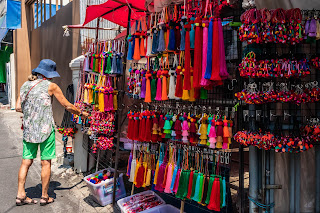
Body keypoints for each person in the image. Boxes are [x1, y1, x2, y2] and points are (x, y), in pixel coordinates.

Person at [15, 59, 88, 206]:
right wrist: (82, 113)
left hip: (29, 130)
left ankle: (20, 195)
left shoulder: (25, 85)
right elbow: (67, 105)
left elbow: (17, 107)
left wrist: (32, 112)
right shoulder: (51, 86)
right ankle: (44, 196)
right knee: (45, 162)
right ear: (49, 74)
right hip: (46, 130)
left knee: (26, 162)